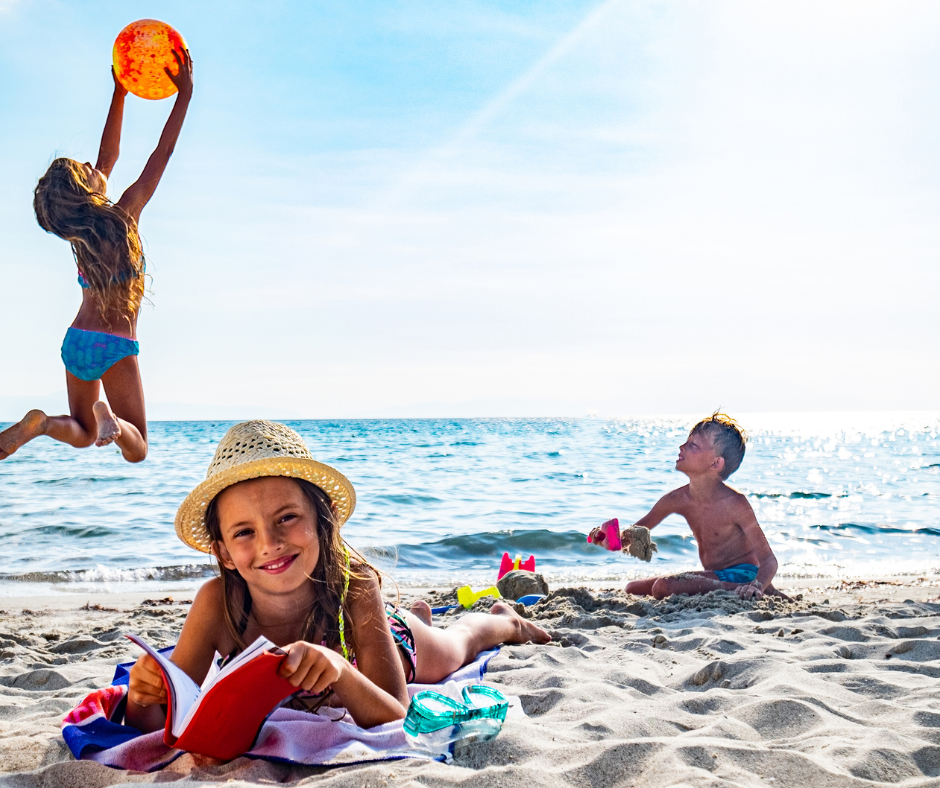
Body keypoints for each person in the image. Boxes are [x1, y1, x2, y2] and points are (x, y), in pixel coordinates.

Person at [126, 421, 550, 734]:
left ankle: (506, 618)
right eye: (244, 532)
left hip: (401, 653)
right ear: (223, 552)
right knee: (415, 626)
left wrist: (339, 672)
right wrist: (143, 695)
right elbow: (158, 723)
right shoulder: (216, 602)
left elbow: (395, 715)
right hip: (373, 637)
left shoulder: (356, 584)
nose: (269, 543)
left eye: (286, 518)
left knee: (461, 643)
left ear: (321, 521)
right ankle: (414, 615)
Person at [0, 49, 194, 463]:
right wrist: (184, 94)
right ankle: (114, 422)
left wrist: (120, 91)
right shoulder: (125, 214)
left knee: (82, 434)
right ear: (86, 191)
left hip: (77, 341)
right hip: (113, 344)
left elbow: (108, 156)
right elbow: (162, 152)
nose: (94, 164)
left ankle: (43, 424)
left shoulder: (78, 236)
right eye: (86, 168)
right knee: (135, 447)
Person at [590, 412, 785, 601]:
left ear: (716, 463)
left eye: (693, 445)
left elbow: (769, 560)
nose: (682, 446)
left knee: (663, 587)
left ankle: (751, 590)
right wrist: (609, 539)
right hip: (714, 575)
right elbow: (631, 537)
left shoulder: (735, 503)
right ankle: (747, 590)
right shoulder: (676, 498)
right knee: (632, 589)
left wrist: (756, 586)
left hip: (744, 575)